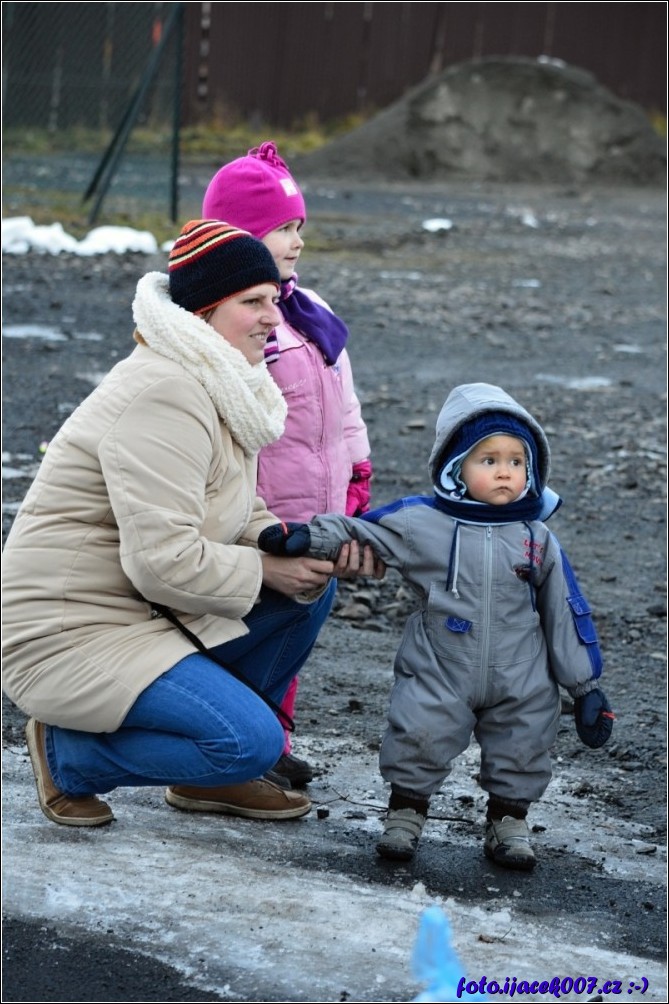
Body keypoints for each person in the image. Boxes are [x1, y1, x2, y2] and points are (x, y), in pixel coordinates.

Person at [1, 218, 344, 828]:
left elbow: (234, 504)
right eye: (253, 302)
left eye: (274, 300)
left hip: (137, 610)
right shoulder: (166, 391)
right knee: (251, 741)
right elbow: (162, 562)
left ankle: (212, 775)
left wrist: (292, 544)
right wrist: (264, 568)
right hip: (70, 629)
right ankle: (68, 754)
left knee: (311, 589)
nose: (273, 317)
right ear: (206, 311)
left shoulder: (220, 381)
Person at [258, 382, 615, 870]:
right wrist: (307, 536)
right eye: (488, 460)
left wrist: (585, 685)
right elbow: (362, 530)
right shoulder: (421, 522)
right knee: (418, 731)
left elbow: (565, 610)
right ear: (455, 467)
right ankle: (406, 813)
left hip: (523, 672)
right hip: (441, 664)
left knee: (526, 742)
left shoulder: (536, 537)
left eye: (516, 461)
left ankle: (508, 820)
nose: (505, 472)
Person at [202, 141, 377, 788]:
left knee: (293, 638)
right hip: (260, 518)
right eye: (281, 228)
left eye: (299, 226)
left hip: (320, 505)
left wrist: (356, 474)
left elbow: (344, 406)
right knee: (251, 630)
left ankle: (269, 742)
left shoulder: (310, 312)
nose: (296, 240)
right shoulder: (242, 325)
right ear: (240, 236)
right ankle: (226, 749)